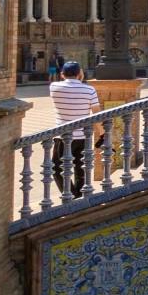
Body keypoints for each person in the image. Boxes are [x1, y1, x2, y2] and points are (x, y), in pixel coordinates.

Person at [47, 60, 102, 197]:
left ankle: (71, 194)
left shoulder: (54, 87)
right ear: (80, 73)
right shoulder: (89, 90)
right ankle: (80, 195)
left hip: (62, 137)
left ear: (62, 74)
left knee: (56, 168)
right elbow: (97, 114)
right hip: (83, 136)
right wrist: (102, 133)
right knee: (81, 168)